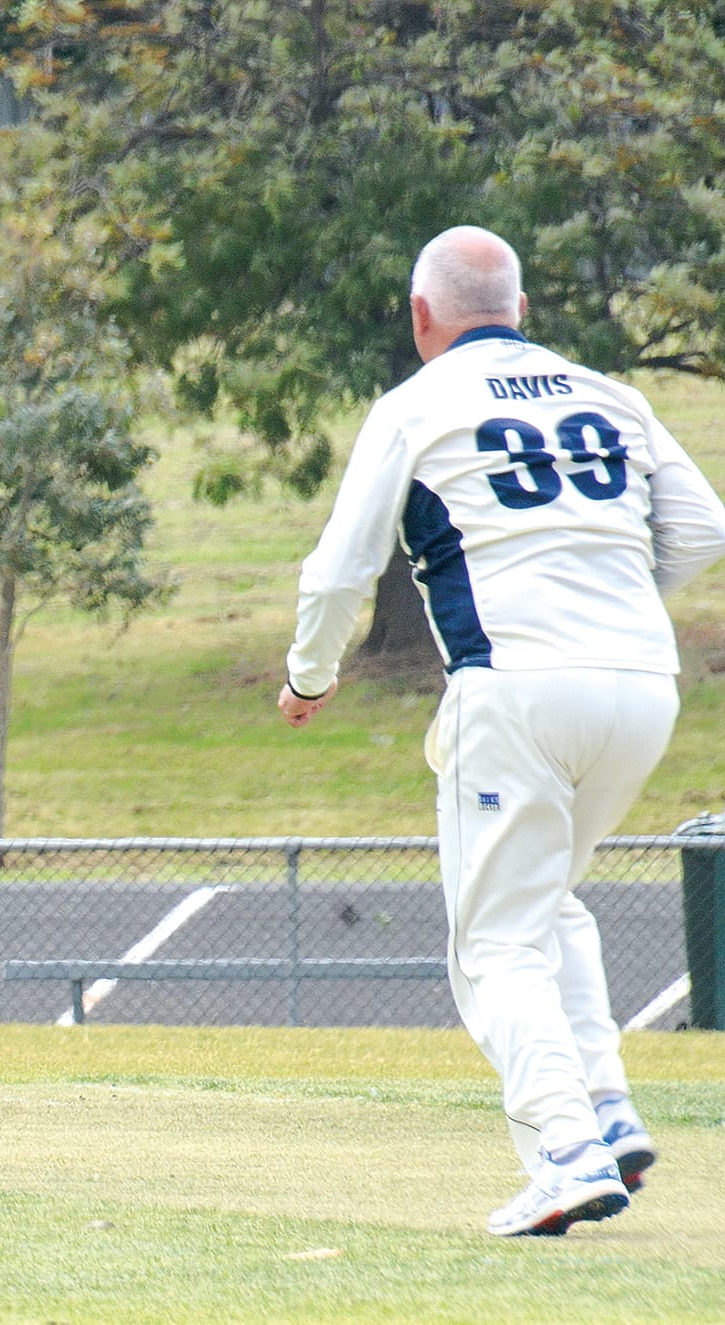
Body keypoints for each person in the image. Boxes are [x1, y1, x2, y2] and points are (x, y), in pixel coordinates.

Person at [278, 225, 725, 1235]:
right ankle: (605, 1111)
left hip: (518, 688)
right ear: (520, 311)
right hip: (639, 683)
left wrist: (309, 676)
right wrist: (610, 601)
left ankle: (562, 1152)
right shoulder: (611, 395)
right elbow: (703, 529)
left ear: (419, 315)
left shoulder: (413, 406)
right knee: (543, 900)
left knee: (491, 946)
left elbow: (336, 570)